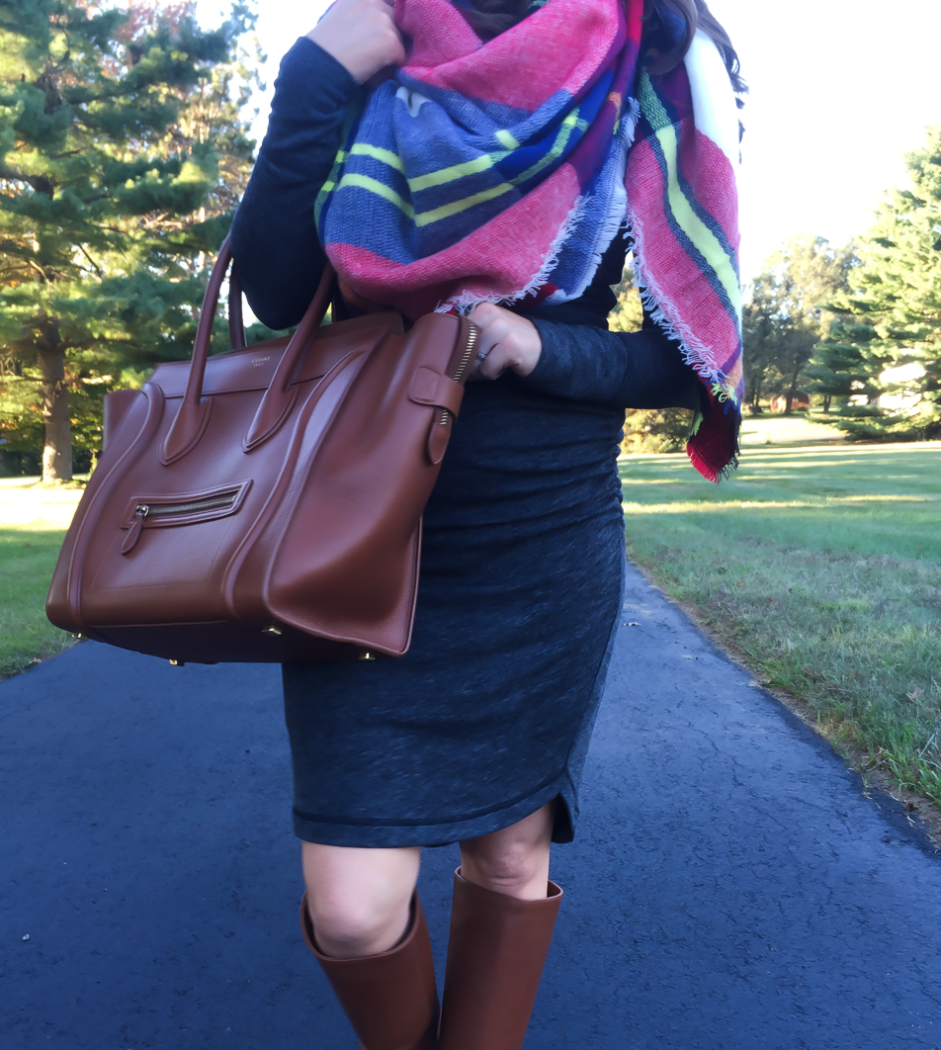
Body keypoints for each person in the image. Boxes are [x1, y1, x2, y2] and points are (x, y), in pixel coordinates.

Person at [230, 0, 744, 1046]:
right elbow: (278, 294)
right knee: (352, 906)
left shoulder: (649, 61)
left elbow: (684, 358)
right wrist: (314, 81)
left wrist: (540, 348)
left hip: (538, 534)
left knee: (507, 857)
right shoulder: (367, 43)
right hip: (359, 534)